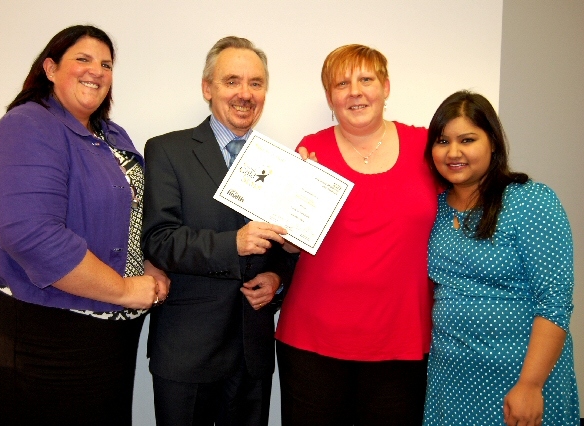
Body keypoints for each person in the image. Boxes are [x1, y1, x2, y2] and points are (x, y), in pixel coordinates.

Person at [0, 25, 170, 425]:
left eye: (106, 64)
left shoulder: (112, 135)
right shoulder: (26, 126)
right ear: (50, 67)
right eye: (82, 59)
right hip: (43, 331)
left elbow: (133, 215)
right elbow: (33, 236)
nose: (96, 70)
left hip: (106, 333)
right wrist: (123, 290)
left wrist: (150, 265)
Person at [275, 44, 438, 425]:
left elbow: (464, 209)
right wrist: (294, 216)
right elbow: (289, 242)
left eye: (366, 79)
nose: (355, 91)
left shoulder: (426, 147)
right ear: (329, 97)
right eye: (341, 83)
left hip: (402, 340)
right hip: (313, 342)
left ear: (385, 86)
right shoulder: (310, 150)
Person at [141, 36, 297, 426]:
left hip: (252, 351)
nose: (245, 93)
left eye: (256, 83)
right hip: (186, 349)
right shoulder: (167, 150)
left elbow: (284, 244)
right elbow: (159, 240)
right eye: (232, 81)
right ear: (208, 88)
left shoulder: (279, 162)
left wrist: (277, 277)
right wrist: (234, 244)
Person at [423, 90, 580, 425]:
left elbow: (555, 301)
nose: (453, 152)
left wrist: (531, 384)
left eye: (467, 139)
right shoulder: (432, 209)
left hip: (521, 378)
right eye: (442, 141)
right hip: (451, 380)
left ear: (492, 142)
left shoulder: (529, 201)